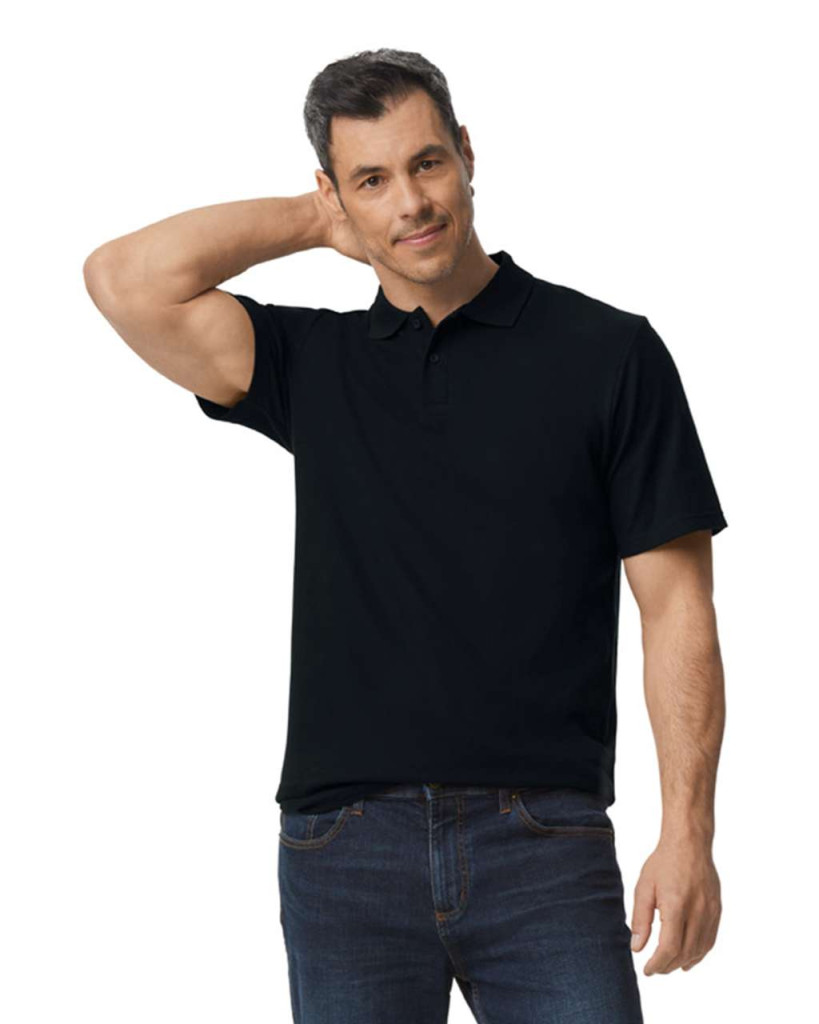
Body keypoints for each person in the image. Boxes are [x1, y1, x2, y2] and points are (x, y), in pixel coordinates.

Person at [84, 47, 727, 1024]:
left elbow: (677, 608)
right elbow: (122, 279)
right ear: (336, 194)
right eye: (372, 180)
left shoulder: (608, 353)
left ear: (467, 153)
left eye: (426, 163)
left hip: (542, 839)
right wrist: (315, 221)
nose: (412, 203)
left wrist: (688, 832)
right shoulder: (312, 362)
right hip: (345, 849)